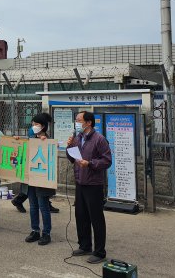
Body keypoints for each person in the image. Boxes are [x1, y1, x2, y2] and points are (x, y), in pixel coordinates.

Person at [66, 111, 112, 264]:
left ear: (89, 122)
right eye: (76, 120)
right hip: (80, 182)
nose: (76, 122)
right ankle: (84, 245)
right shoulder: (78, 137)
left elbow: (107, 161)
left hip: (93, 184)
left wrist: (90, 163)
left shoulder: (99, 139)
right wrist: (68, 147)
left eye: (79, 120)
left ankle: (99, 252)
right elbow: (73, 158)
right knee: (81, 215)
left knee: (96, 218)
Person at [11, 126, 60, 214]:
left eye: (36, 124)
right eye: (33, 123)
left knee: (41, 188)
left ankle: (46, 204)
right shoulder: (32, 134)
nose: (34, 126)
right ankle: (18, 201)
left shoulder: (47, 138)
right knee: (32, 189)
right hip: (33, 166)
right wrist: (17, 140)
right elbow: (24, 144)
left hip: (40, 167)